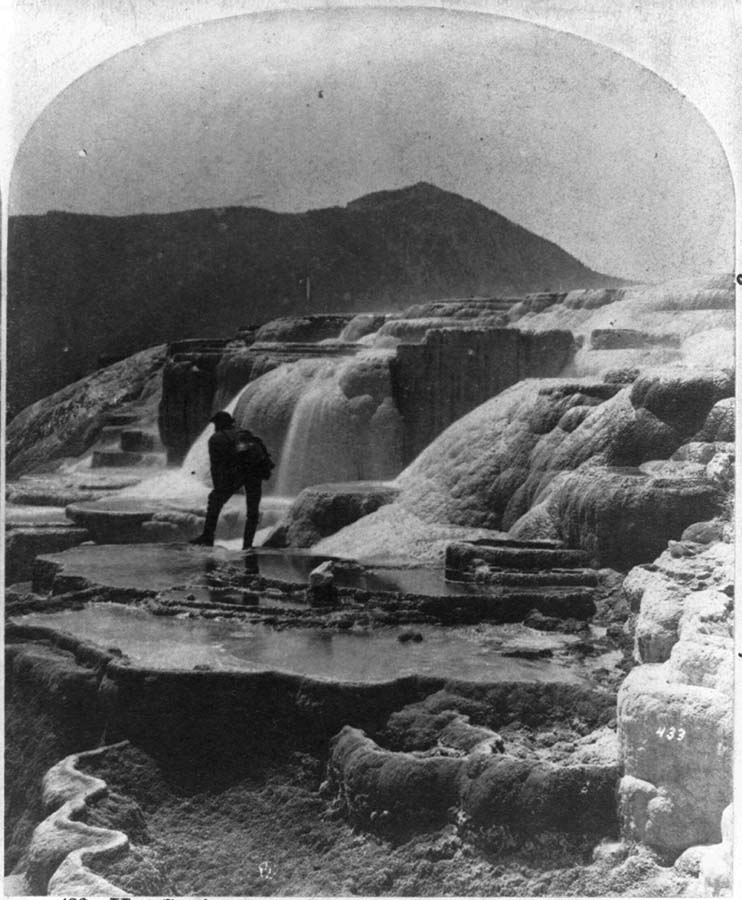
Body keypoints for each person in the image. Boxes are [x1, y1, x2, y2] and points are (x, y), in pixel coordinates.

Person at [190, 411, 273, 549]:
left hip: (237, 474)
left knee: (215, 501)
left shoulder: (216, 438)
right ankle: (247, 545)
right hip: (255, 473)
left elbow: (216, 467)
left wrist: (219, 489)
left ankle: (207, 537)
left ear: (219, 424)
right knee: (252, 512)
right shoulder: (245, 434)